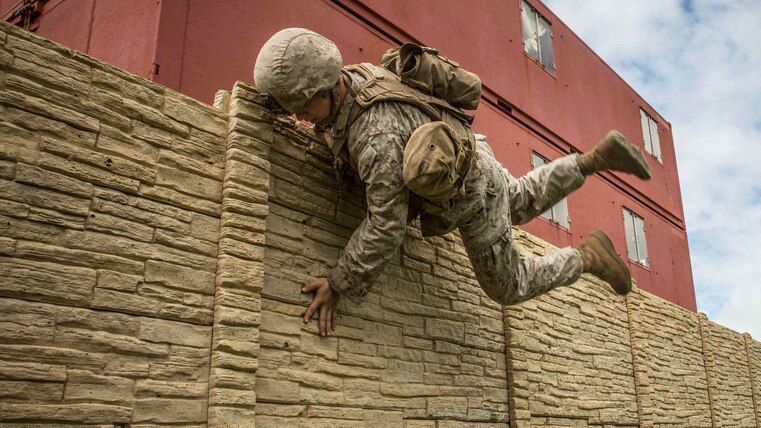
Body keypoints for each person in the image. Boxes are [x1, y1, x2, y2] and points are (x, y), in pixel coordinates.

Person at [253, 28, 652, 336]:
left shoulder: (374, 138)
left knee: (508, 285)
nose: (302, 116)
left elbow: (386, 226)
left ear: (325, 87)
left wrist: (339, 282)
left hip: (471, 192)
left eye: (303, 105)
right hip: (471, 150)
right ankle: (593, 159)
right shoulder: (357, 76)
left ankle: (587, 257)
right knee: (519, 199)